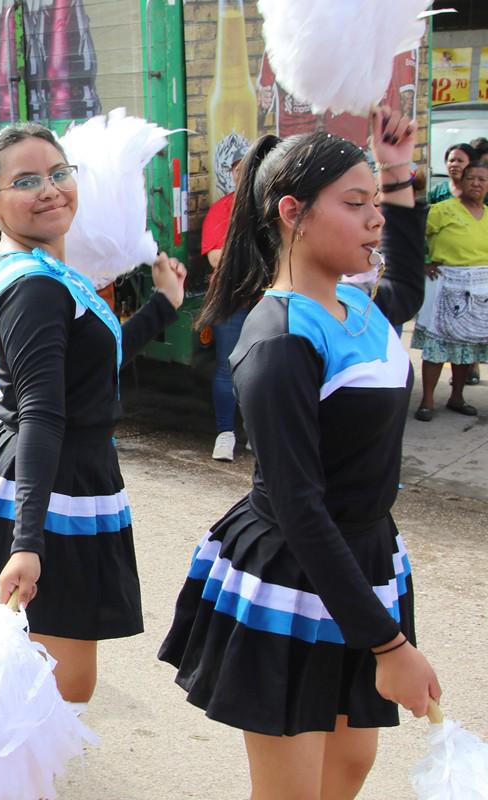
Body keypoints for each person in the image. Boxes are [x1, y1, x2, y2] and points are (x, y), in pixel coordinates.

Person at [158, 109, 440, 800]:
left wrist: (399, 172)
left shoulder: (360, 305)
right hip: (295, 568)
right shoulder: (280, 336)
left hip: (364, 559)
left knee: (349, 769)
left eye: (377, 202)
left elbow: (408, 284)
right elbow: (298, 504)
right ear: (293, 212)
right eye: (355, 203)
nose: (374, 218)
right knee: (293, 790)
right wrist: (391, 647)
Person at [0, 122, 185, 706]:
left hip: (65, 477)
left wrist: (163, 307)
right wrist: (28, 540)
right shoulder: (35, 285)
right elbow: (42, 411)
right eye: (27, 181)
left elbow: (89, 368)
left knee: (45, 685)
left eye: (60, 173)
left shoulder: (51, 272)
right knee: (51, 689)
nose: (51, 189)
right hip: (50, 485)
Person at [412, 161, 488, 420]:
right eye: (472, 178)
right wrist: (423, 260)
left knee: (467, 346)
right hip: (445, 283)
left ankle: (457, 397)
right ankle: (427, 401)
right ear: (462, 182)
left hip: (479, 290)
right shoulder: (442, 210)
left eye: (483, 179)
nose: (477, 183)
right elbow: (413, 233)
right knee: (437, 346)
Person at [201, 148, 249, 461]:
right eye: (235, 169)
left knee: (266, 368)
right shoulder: (222, 209)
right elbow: (215, 257)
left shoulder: (273, 208)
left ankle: (257, 432)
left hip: (269, 300)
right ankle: (225, 433)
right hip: (231, 299)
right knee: (227, 366)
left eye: (246, 168)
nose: (239, 174)